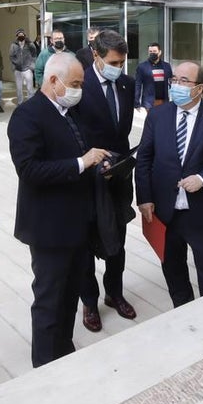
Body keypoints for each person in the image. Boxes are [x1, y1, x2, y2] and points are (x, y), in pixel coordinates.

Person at [7, 53, 110, 367]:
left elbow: (81, 155)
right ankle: (46, 365)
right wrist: (82, 162)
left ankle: (63, 355)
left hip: (78, 223)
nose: (78, 89)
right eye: (75, 83)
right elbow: (30, 170)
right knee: (50, 301)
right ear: (53, 80)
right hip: (49, 228)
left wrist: (100, 163)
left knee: (69, 298)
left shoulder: (70, 112)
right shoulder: (27, 116)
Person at [136, 61, 203, 307]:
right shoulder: (158, 115)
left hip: (200, 211)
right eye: (174, 80)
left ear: (199, 88)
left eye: (183, 81)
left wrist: (202, 179)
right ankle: (183, 309)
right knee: (172, 266)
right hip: (165, 210)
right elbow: (144, 158)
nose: (176, 86)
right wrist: (144, 198)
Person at [75, 30, 137, 332]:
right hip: (90, 177)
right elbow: (72, 131)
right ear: (96, 56)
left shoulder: (126, 84)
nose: (119, 67)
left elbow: (122, 130)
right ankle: (89, 300)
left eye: (123, 62)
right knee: (87, 241)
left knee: (119, 238)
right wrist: (90, 160)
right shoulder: (79, 84)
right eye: (113, 61)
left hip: (120, 175)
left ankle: (115, 292)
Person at [134, 42, 173, 111]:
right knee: (152, 121)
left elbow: (172, 83)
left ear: (160, 52)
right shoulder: (142, 67)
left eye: (154, 51)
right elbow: (138, 85)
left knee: (164, 121)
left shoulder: (167, 66)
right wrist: (136, 102)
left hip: (164, 100)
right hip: (149, 102)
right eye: (150, 51)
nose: (152, 53)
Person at [9, 28, 35, 105]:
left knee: (30, 88)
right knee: (19, 88)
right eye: (19, 35)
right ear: (17, 36)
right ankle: (20, 103)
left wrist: (31, 67)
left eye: (22, 34)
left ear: (24, 35)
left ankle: (31, 103)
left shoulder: (30, 44)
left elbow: (34, 56)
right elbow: (11, 56)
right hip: (18, 70)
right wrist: (16, 64)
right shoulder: (13, 45)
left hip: (27, 69)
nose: (21, 36)